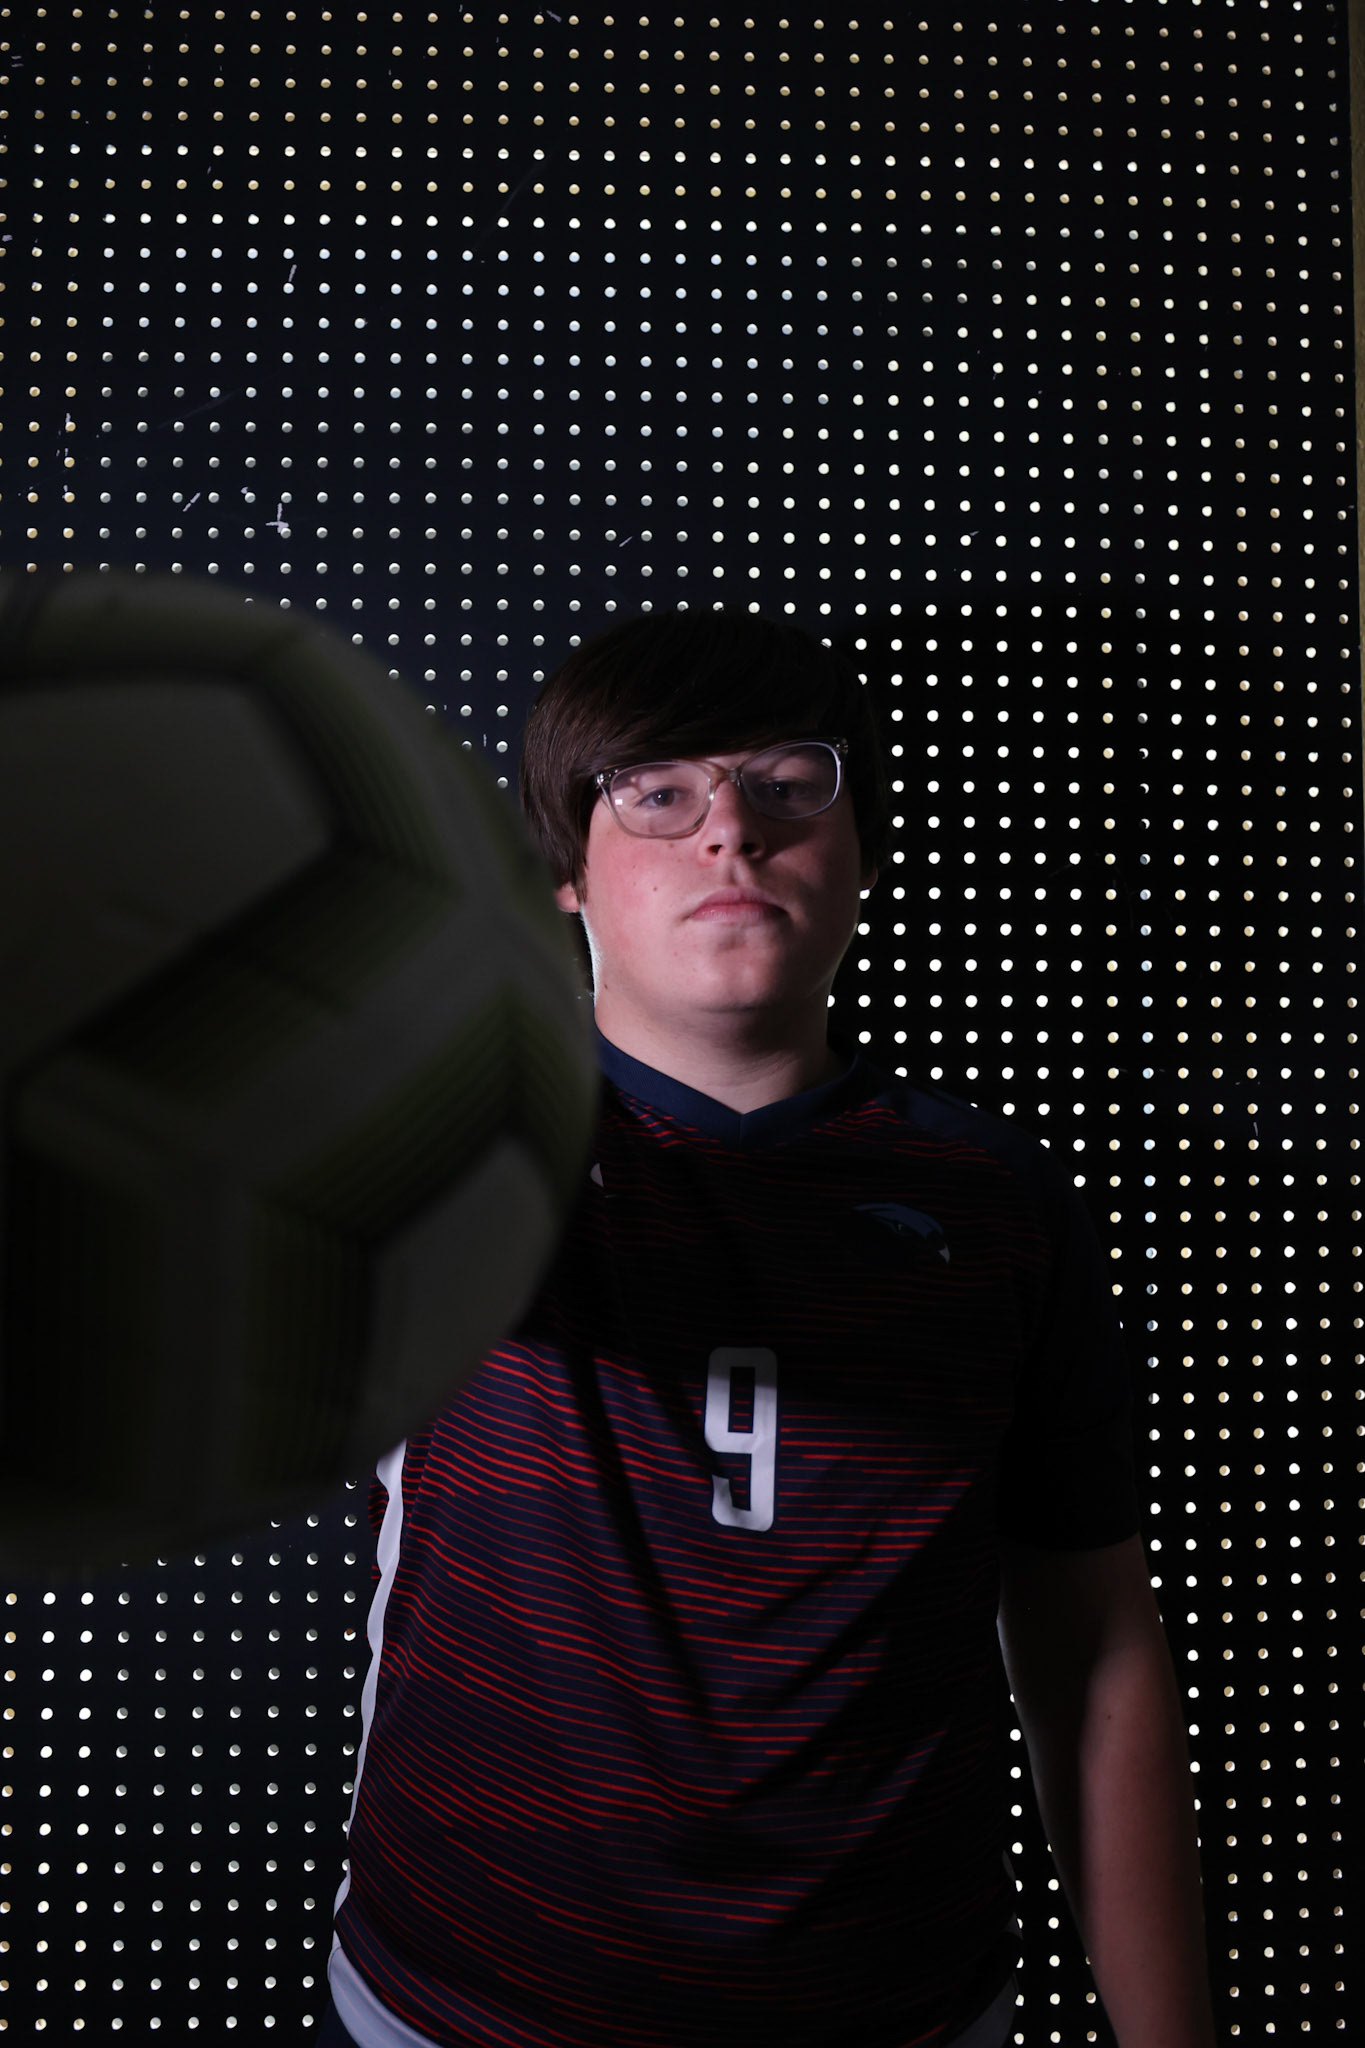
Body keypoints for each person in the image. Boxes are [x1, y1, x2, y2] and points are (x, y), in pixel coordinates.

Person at [318, 608, 1218, 2048]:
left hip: (897, 2007)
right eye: (655, 792)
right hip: (466, 2003)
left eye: (789, 783)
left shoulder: (992, 1203)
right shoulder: (437, 1150)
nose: (728, 830)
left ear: (862, 842)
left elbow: (1091, 1635)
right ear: (563, 866)